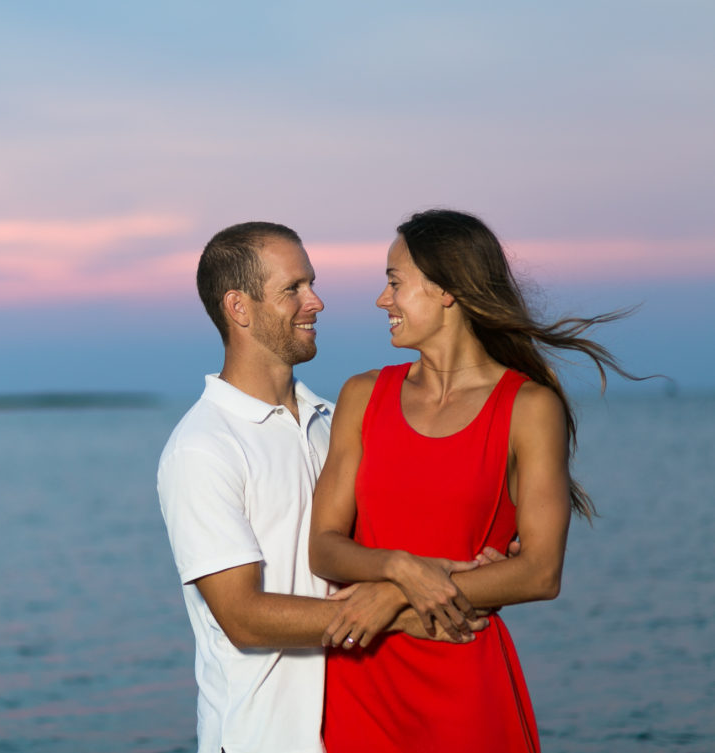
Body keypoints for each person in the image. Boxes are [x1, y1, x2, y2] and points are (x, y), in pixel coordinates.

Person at [309, 209, 639, 752]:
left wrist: (393, 598)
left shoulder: (529, 408)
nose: (381, 300)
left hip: (462, 674)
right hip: (363, 683)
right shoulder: (362, 396)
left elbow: (539, 573)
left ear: (445, 290)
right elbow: (324, 547)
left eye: (394, 283)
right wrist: (399, 568)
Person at [158, 221, 491, 753]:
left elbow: (393, 537)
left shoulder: (336, 422)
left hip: (365, 725)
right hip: (262, 739)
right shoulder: (202, 447)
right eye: (293, 289)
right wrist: (405, 614)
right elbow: (243, 617)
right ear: (239, 308)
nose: (316, 301)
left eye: (311, 283)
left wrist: (480, 558)